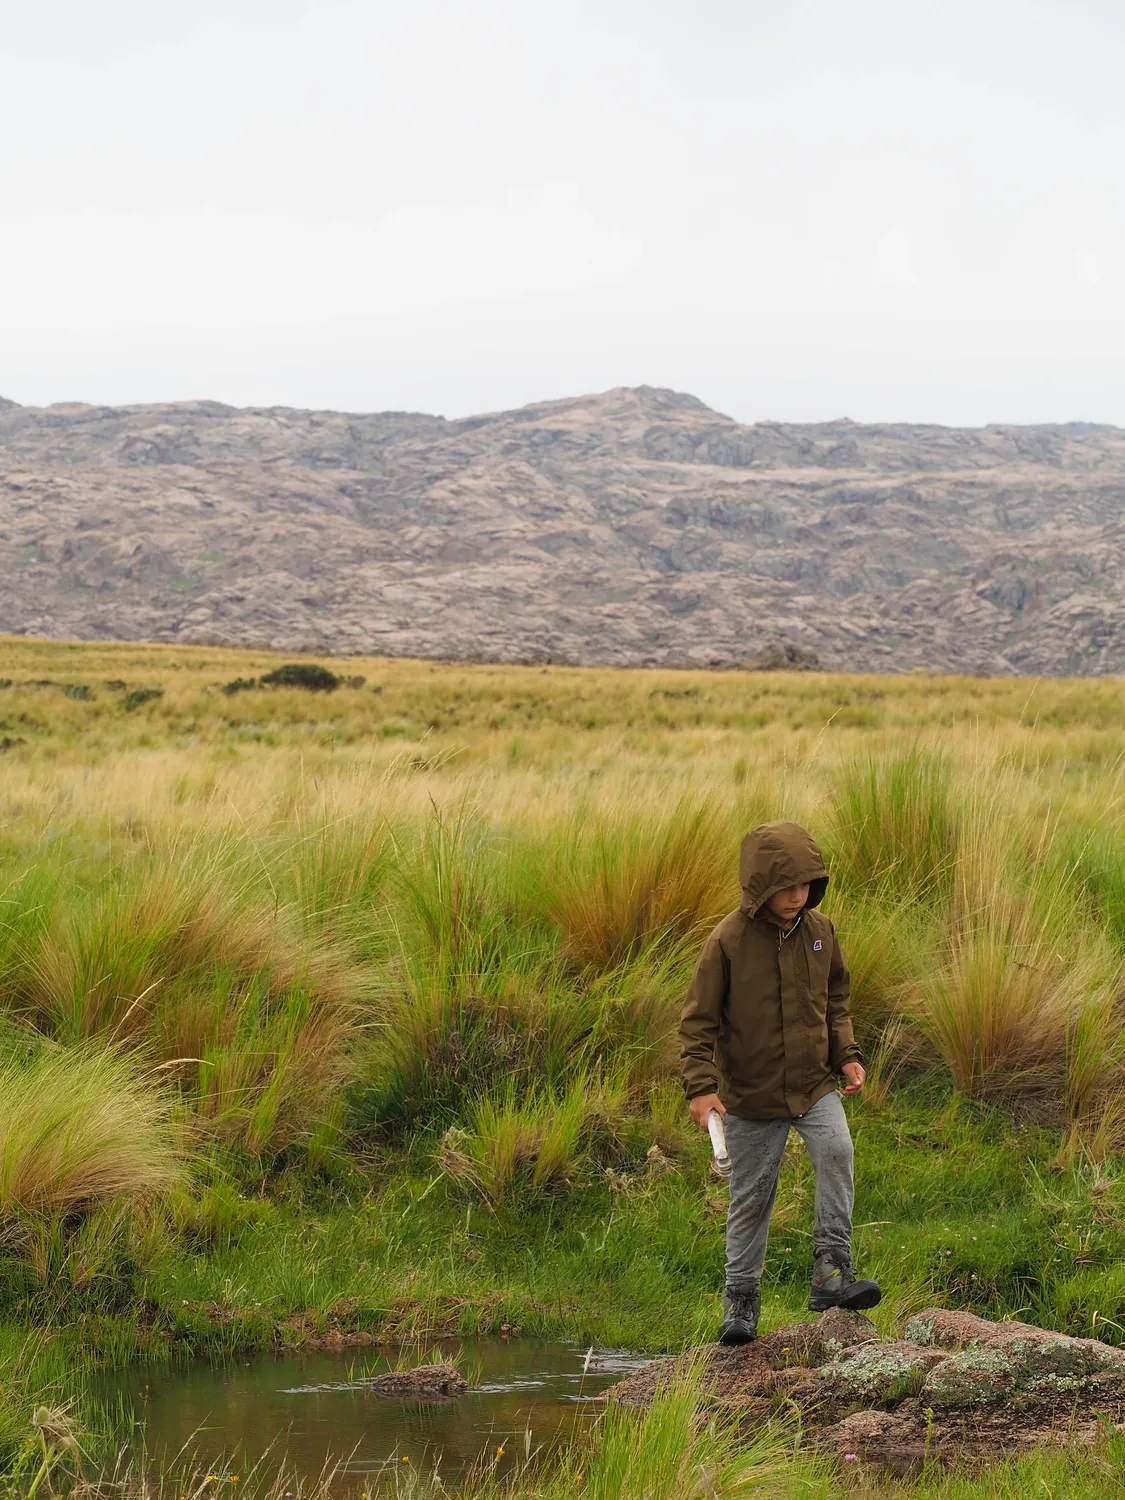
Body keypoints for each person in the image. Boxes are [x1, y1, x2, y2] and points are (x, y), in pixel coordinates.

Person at [679, 819, 881, 1345]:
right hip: (750, 1096)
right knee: (752, 1198)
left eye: (807, 885)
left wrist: (848, 1055)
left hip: (814, 1085)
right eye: (786, 887)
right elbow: (697, 1023)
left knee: (838, 1150)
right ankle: (740, 1304)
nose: (798, 896)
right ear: (759, 887)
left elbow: (835, 1001)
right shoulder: (727, 941)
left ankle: (832, 1272)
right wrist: (702, 1089)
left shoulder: (821, 932)